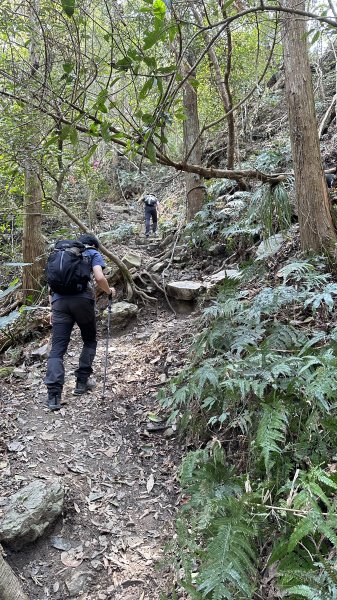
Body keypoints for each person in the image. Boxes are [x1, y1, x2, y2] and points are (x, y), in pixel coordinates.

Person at [44, 234, 116, 411]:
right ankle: (81, 383)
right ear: (93, 244)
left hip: (59, 303)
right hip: (82, 302)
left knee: (57, 349)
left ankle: (54, 395)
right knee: (89, 340)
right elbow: (99, 278)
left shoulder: (59, 254)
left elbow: (50, 285)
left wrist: (52, 308)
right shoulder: (92, 253)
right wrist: (109, 291)